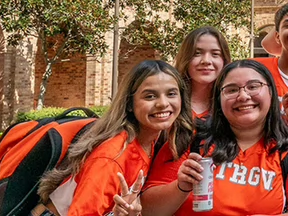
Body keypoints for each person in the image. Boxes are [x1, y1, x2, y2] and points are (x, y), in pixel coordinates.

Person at [140, 60, 288, 216]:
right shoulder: (190, 138)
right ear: (218, 99)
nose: (243, 96)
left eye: (253, 86)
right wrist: (180, 187)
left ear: (271, 93)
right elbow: (148, 210)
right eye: (231, 90)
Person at [35, 60, 195, 216]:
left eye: (171, 94)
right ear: (130, 104)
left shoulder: (149, 140)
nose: (162, 103)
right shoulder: (112, 156)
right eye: (150, 96)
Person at [175, 27, 231, 121]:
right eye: (197, 53)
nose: (206, 61)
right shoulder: (170, 102)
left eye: (215, 54)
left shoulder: (233, 102)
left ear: (224, 60)